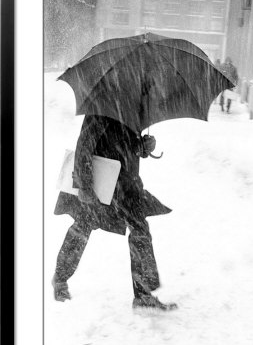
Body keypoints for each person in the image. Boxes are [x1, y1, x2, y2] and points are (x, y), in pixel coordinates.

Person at [53, 114, 178, 311]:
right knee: (83, 226)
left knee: (140, 230)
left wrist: (143, 147)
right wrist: (84, 186)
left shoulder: (134, 104)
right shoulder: (102, 102)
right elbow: (85, 144)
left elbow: (127, 142)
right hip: (102, 180)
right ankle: (60, 279)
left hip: (128, 184)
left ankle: (143, 294)